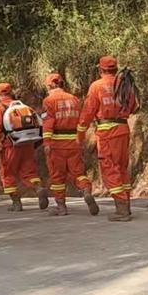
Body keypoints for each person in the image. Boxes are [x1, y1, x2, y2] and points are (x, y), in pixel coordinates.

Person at [79, 55, 136, 222]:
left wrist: (80, 133)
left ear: (101, 69)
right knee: (122, 167)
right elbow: (132, 105)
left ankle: (121, 209)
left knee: (110, 168)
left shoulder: (97, 86)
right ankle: (127, 205)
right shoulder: (124, 84)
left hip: (106, 131)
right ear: (115, 68)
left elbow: (88, 111)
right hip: (123, 128)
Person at [41, 73, 100, 217]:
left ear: (50, 85)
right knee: (78, 174)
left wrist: (47, 142)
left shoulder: (49, 100)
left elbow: (48, 123)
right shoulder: (74, 99)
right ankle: (86, 190)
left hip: (57, 144)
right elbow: (81, 120)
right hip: (74, 143)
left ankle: (61, 207)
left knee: (57, 176)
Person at [0, 82, 48, 212]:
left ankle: (16, 203)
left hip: (10, 145)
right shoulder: (23, 106)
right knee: (29, 172)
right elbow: (39, 125)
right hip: (28, 143)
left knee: (7, 173)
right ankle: (38, 188)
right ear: (11, 92)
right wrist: (35, 145)